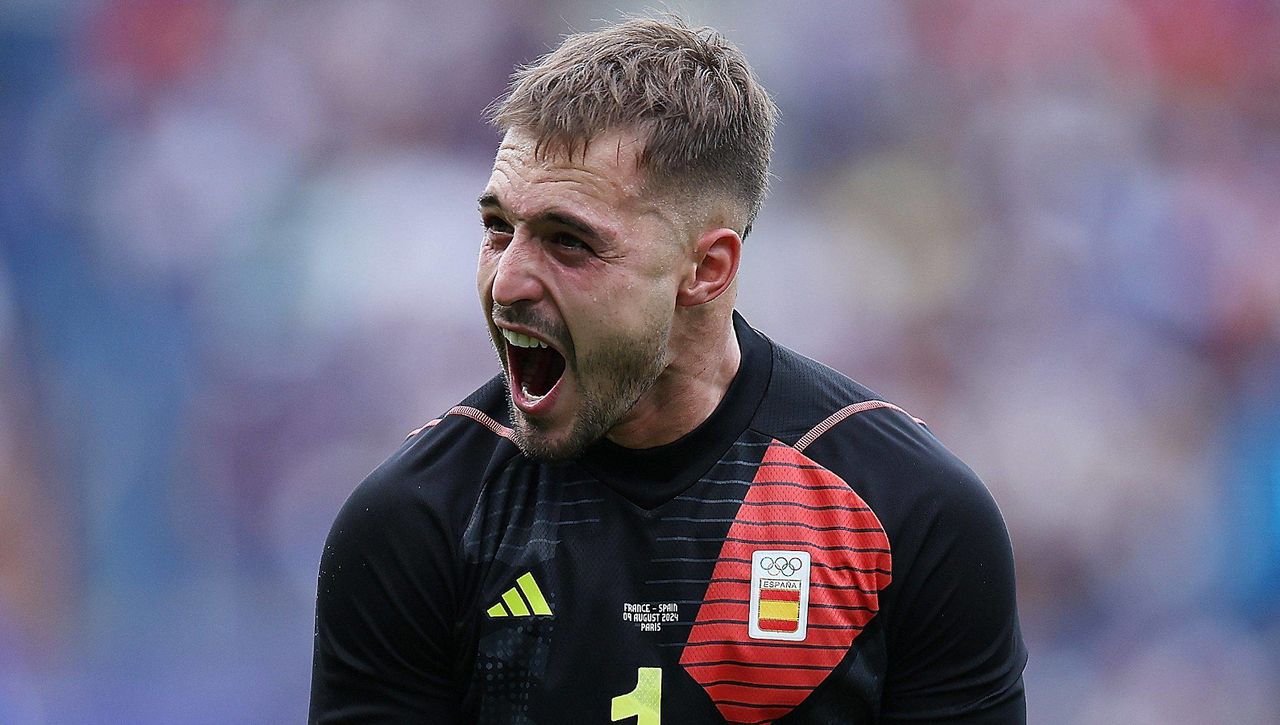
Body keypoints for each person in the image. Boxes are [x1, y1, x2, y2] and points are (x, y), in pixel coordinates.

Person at [309, 15, 1026, 725]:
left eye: (569, 241)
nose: (508, 283)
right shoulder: (421, 518)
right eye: (499, 227)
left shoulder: (908, 512)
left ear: (706, 269)